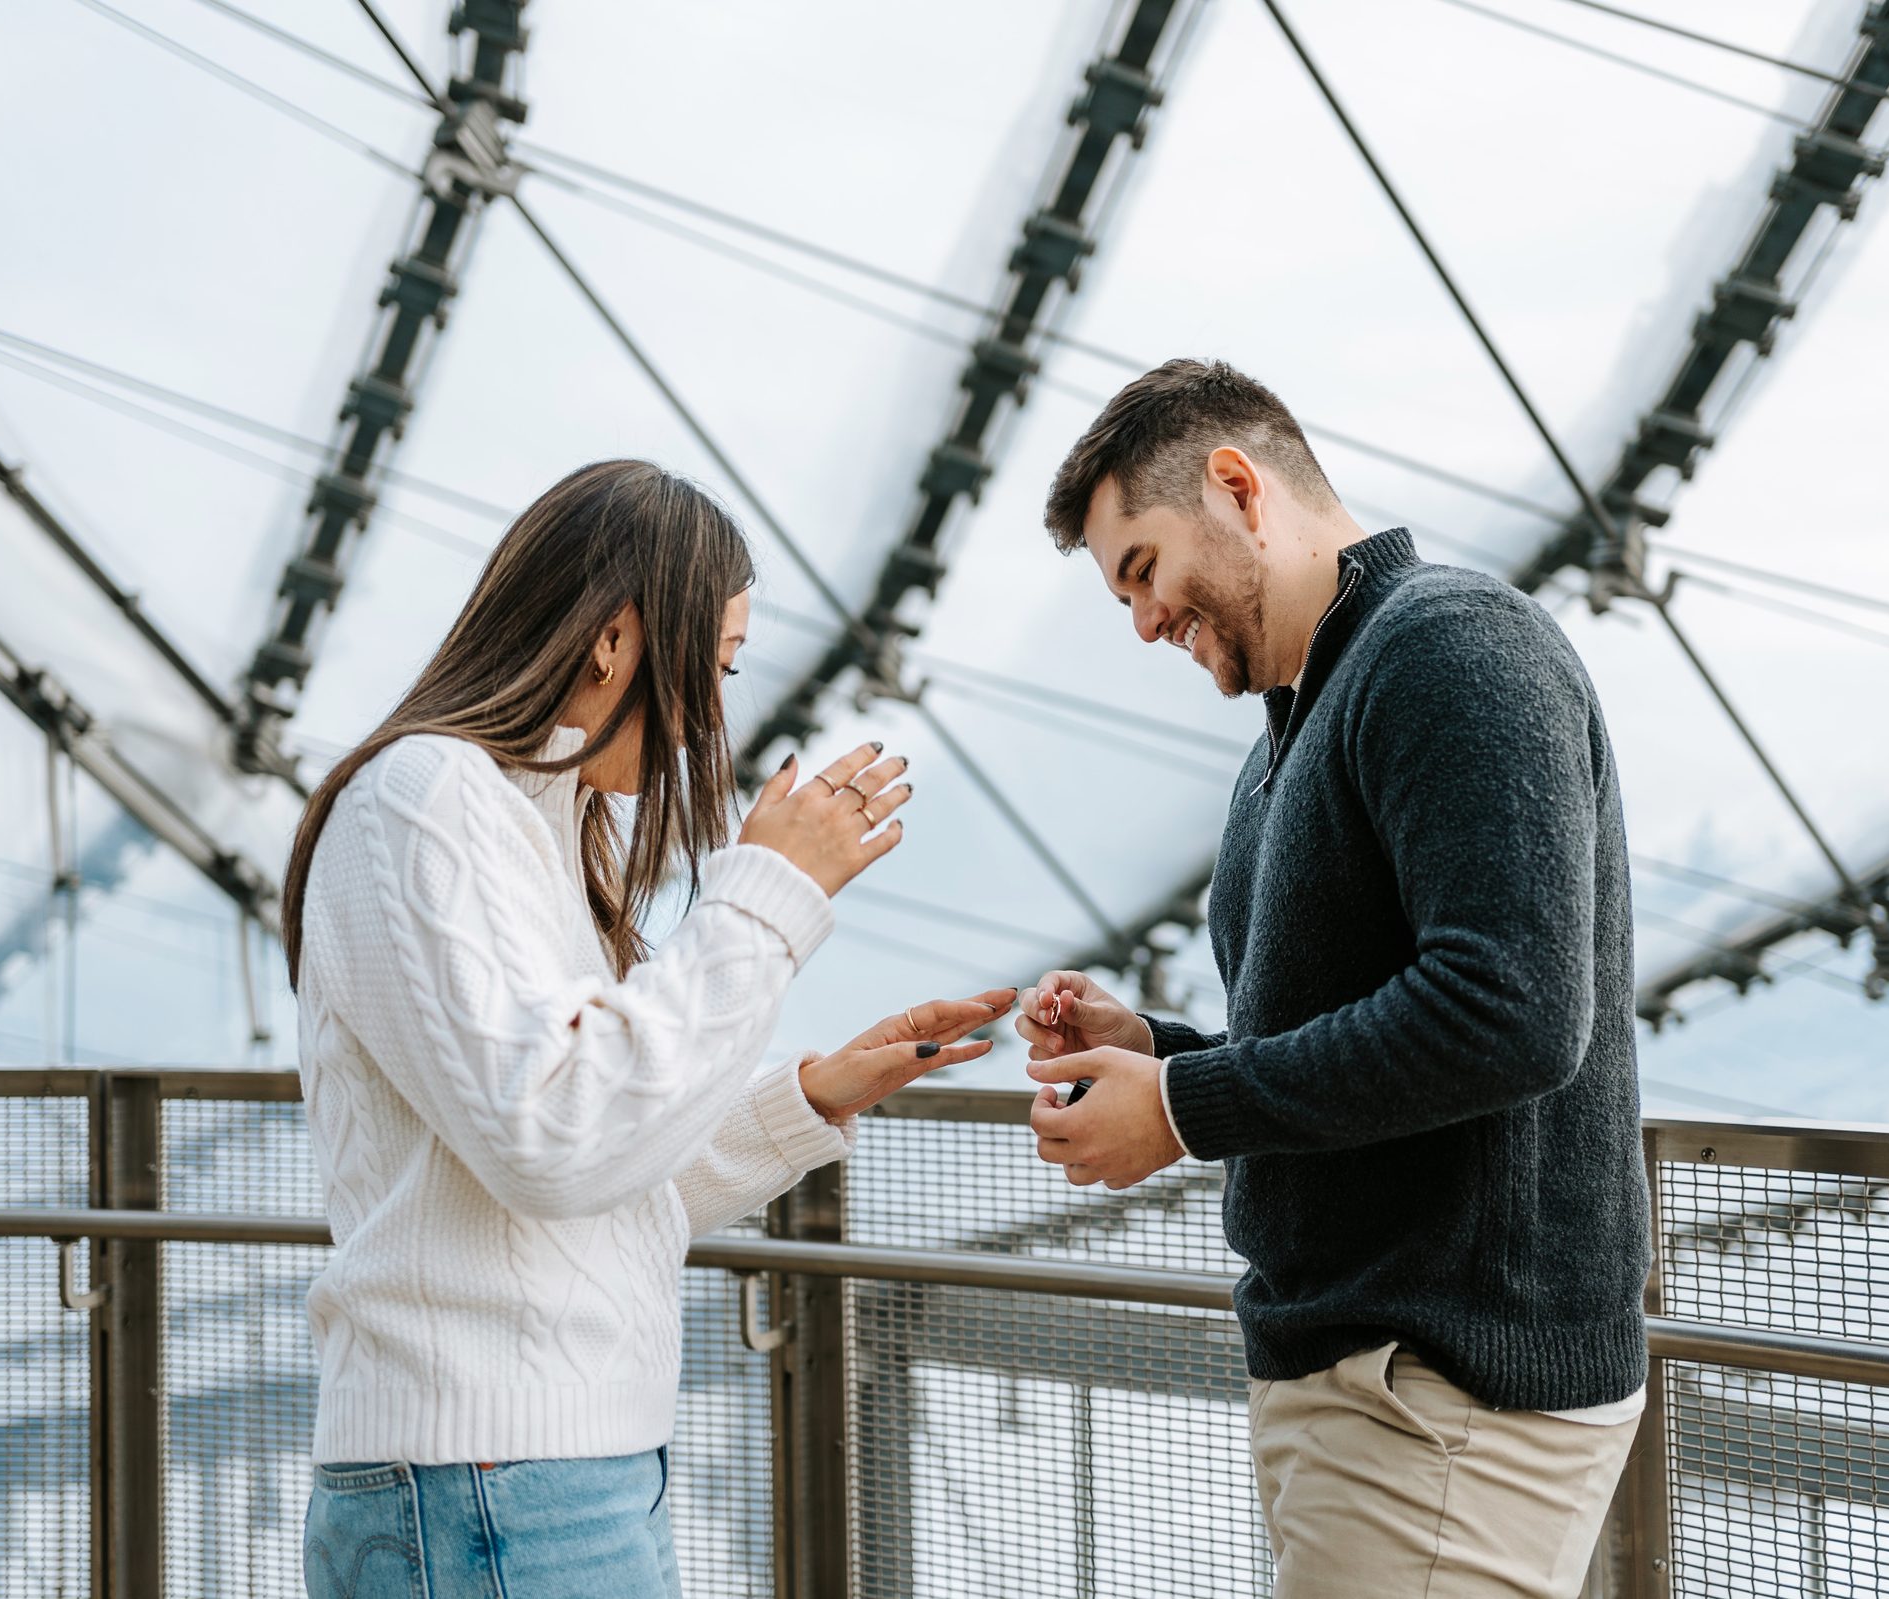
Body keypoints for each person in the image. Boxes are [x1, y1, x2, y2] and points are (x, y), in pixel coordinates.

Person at [281, 458, 1014, 1599]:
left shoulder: (532, 818)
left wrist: (807, 1099)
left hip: (543, 1474)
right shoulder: (425, 797)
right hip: (491, 1485)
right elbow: (555, 1139)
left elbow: (598, 1185)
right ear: (616, 638)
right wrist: (765, 898)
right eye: (714, 664)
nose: (716, 714)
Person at [1017, 361, 1648, 1597]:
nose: (1142, 621)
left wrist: (1188, 1111)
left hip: (1441, 1390)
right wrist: (1163, 1056)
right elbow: (1341, 1042)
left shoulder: (1450, 649)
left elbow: (1509, 1014)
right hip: (1378, 1385)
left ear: (1238, 488)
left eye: (1142, 569)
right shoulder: (1294, 733)